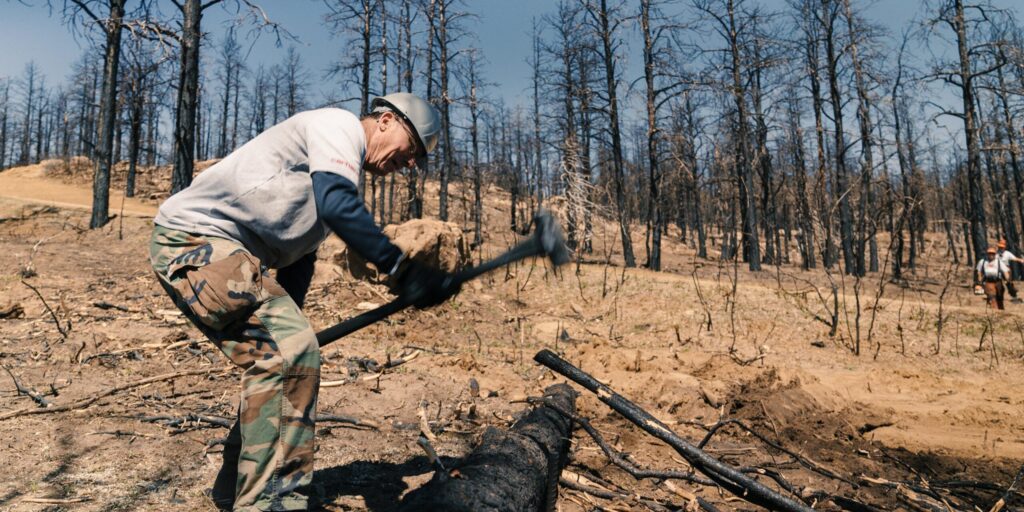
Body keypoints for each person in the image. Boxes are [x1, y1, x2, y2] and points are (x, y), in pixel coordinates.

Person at [149, 92, 460, 511]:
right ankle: (273, 504)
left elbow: (297, 261)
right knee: (288, 354)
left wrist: (292, 323)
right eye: (412, 149)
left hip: (222, 253)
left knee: (280, 356)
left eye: (417, 160)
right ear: (386, 120)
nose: (410, 164)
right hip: (196, 240)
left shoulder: (331, 171)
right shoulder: (338, 127)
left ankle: (235, 486)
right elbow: (338, 206)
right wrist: (402, 269)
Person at [977, 246, 1009, 310]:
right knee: (992, 296)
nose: (991, 255)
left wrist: (1007, 280)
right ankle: (994, 311)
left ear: (995, 254)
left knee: (999, 297)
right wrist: (979, 281)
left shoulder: (999, 262)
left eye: (993, 253)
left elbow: (1005, 271)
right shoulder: (982, 262)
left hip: (998, 282)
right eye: (989, 253)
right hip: (988, 281)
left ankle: (1001, 311)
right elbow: (979, 272)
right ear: (987, 254)